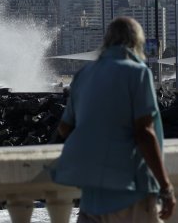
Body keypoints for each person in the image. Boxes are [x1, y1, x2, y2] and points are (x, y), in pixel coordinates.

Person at [52, 17, 176, 222]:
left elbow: (65, 128)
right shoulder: (137, 73)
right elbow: (144, 133)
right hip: (131, 194)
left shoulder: (84, 74)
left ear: (106, 41)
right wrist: (166, 187)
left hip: (91, 196)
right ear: (137, 43)